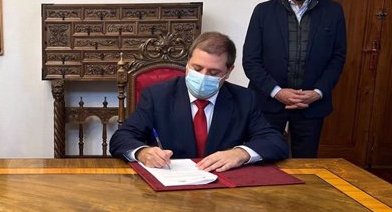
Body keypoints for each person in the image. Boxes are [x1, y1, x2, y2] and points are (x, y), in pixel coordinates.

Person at [109, 31, 288, 172]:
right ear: (188, 63)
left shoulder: (244, 99)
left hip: (224, 190)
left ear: (229, 71)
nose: (202, 77)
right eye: (197, 68)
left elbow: (275, 142)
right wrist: (142, 152)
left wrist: (240, 153)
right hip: (171, 188)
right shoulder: (157, 96)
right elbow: (121, 138)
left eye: (213, 73)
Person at [242, 0, 346, 158]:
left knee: (306, 163)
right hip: (268, 103)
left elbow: (338, 57)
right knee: (264, 158)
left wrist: (318, 92)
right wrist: (277, 91)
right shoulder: (263, 11)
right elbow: (250, 60)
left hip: (311, 105)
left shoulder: (333, 11)